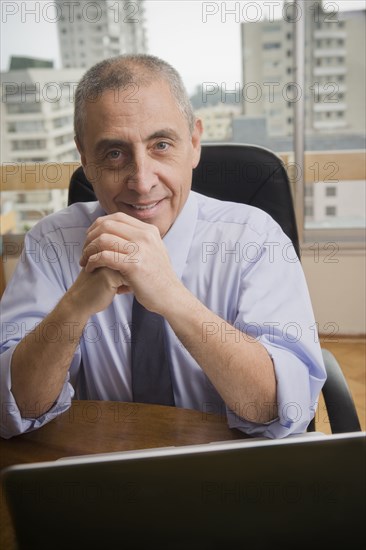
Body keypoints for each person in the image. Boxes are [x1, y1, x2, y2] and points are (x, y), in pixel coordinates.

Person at [0, 54, 326, 439]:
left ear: (194, 143)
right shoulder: (53, 243)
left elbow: (278, 407)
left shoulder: (255, 238)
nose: (141, 181)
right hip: (99, 471)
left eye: (161, 145)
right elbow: (15, 409)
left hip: (234, 477)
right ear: (85, 160)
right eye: (114, 153)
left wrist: (171, 296)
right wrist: (75, 305)